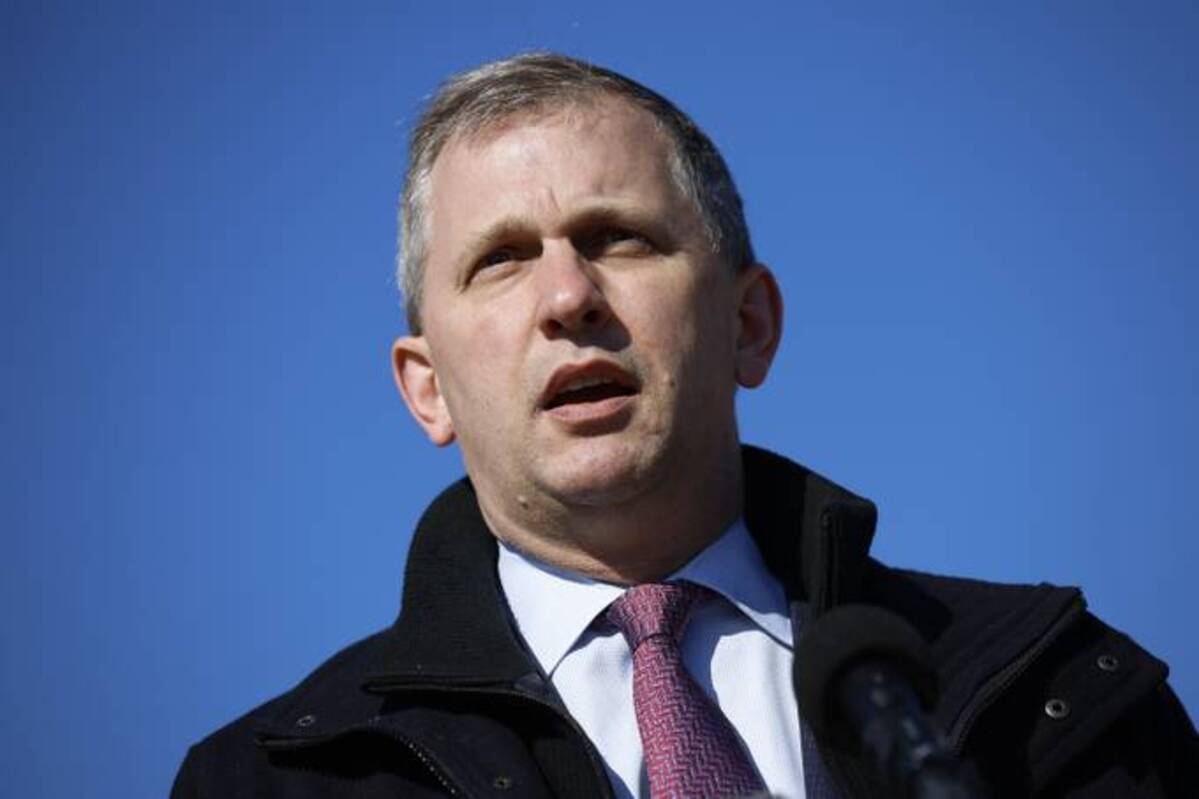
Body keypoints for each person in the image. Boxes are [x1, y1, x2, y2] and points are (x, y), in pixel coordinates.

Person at [172, 52, 1196, 798]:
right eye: (502, 259)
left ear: (747, 324)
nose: (567, 295)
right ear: (425, 385)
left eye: (616, 238)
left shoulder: (1055, 694)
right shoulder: (275, 777)